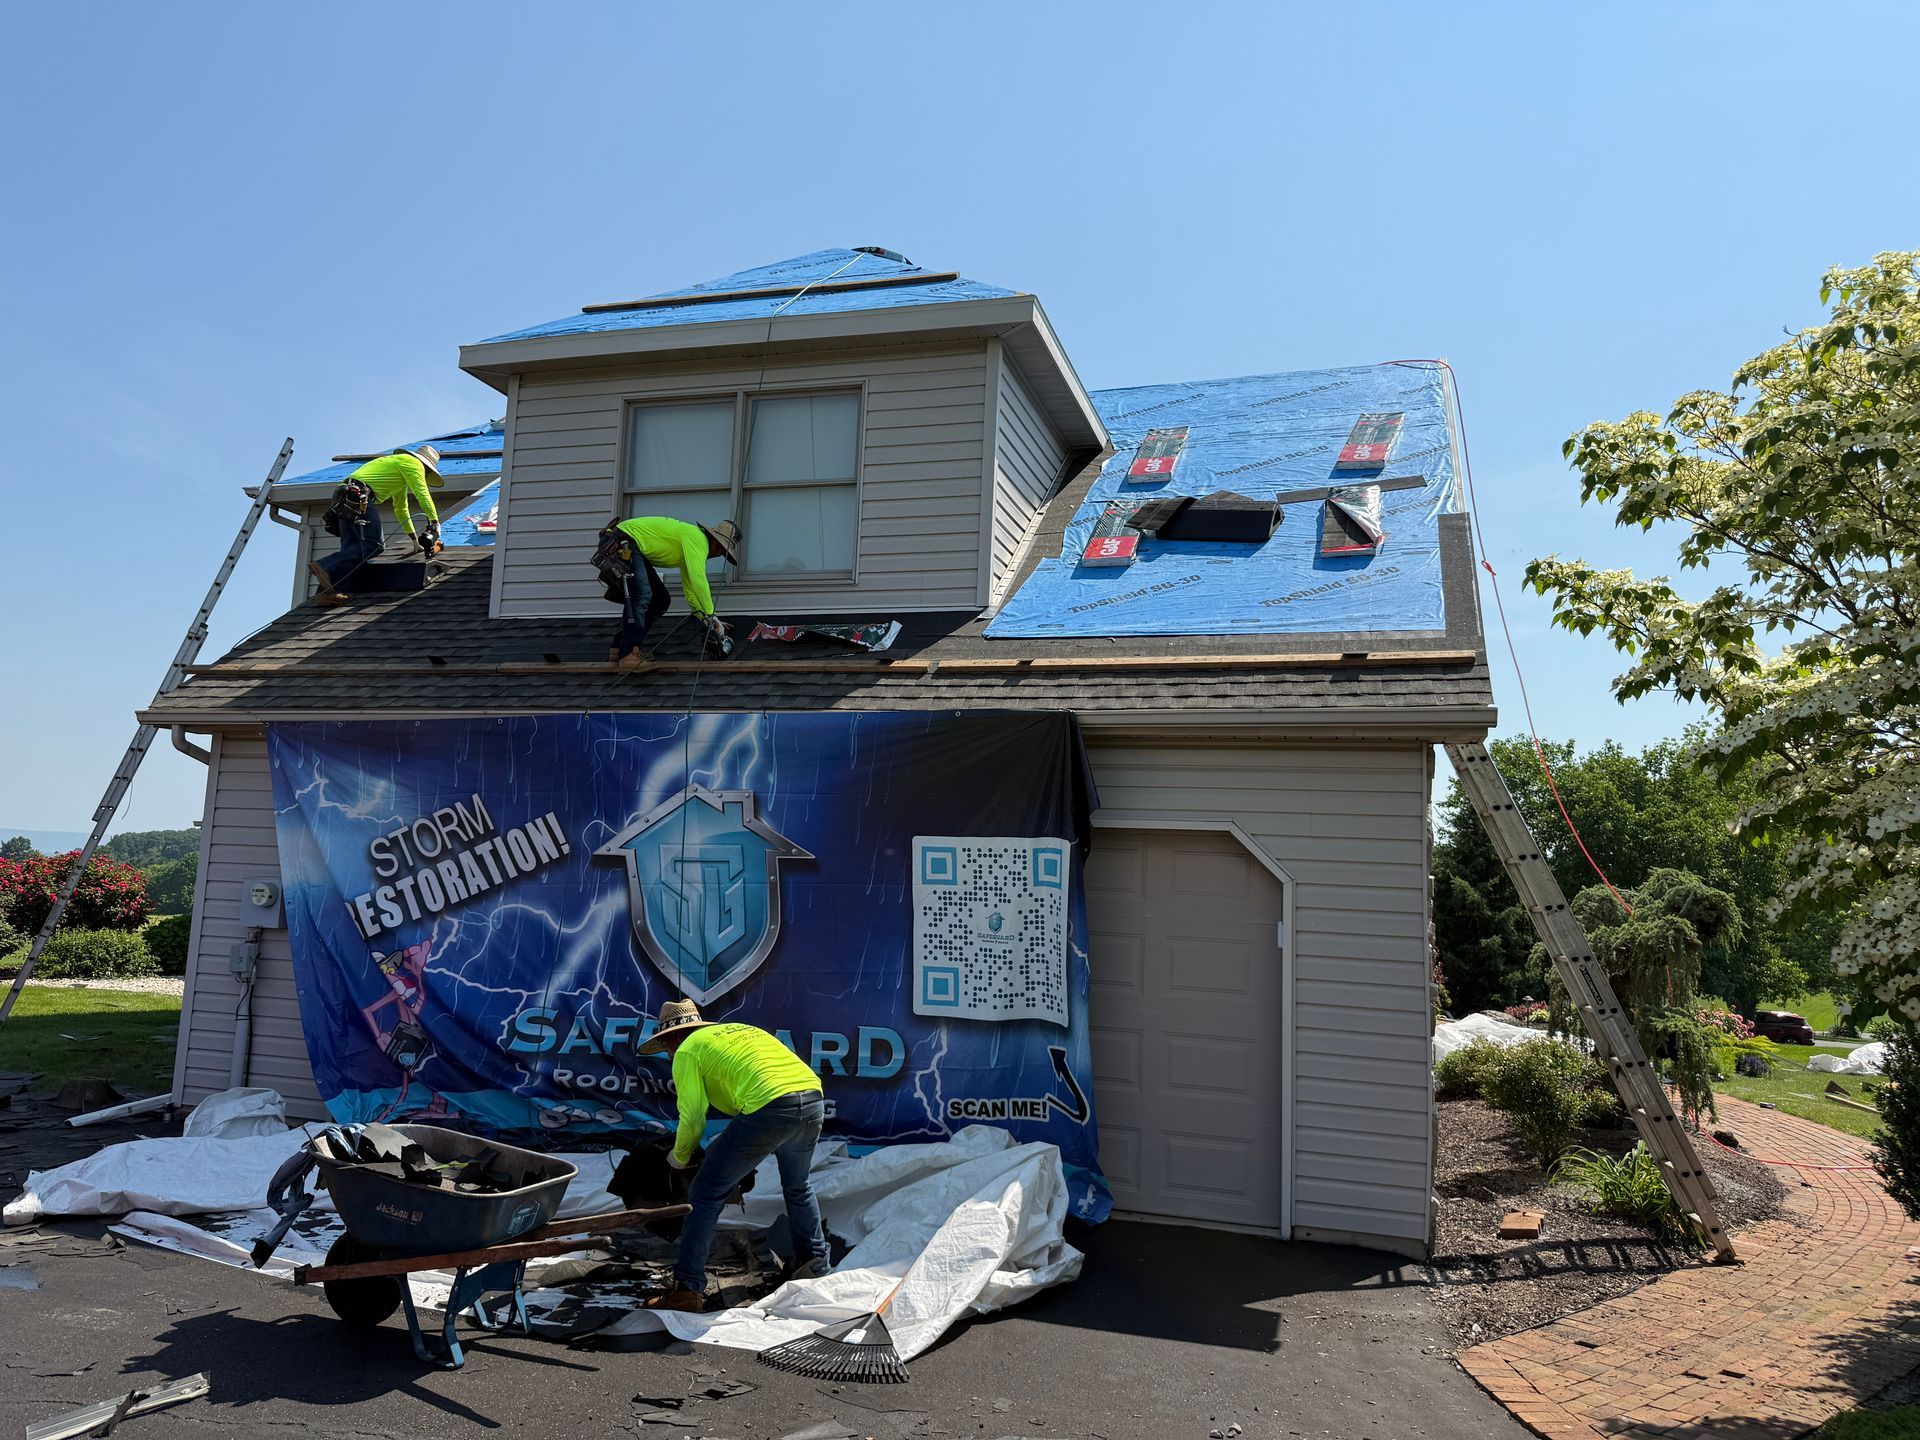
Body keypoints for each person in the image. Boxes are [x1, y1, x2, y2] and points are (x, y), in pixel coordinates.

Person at [637, 999, 829, 1312]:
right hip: (812, 1100)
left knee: (703, 1193)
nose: (668, 1054)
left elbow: (693, 1117)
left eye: (665, 1046)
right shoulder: (739, 1031)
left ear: (672, 1037)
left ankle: (687, 1289)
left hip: (770, 1108)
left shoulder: (687, 1051)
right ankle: (818, 1269)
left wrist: (679, 1158)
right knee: (798, 1186)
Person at [596, 516, 742, 668]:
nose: (718, 554)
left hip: (631, 545)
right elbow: (699, 579)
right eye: (721, 550)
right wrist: (713, 615)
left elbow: (691, 593)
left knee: (661, 599)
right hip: (624, 541)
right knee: (641, 594)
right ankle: (628, 654)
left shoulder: (692, 548)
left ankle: (620, 647)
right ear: (716, 542)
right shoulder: (698, 539)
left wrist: (707, 620)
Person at [307, 444, 445, 606]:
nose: (424, 475)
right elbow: (422, 493)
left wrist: (414, 540)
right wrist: (435, 522)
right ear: (425, 466)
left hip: (345, 495)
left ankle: (325, 593)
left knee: (352, 549)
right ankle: (324, 566)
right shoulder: (412, 463)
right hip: (359, 495)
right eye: (426, 472)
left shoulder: (399, 468)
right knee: (374, 545)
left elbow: (401, 508)